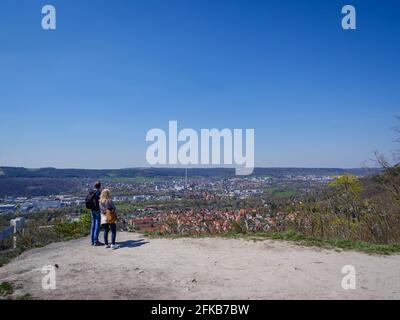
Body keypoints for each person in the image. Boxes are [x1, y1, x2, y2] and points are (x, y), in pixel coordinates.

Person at [87, 181, 103, 246]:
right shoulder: (99, 192)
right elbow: (101, 201)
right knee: (97, 226)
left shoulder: (91, 191)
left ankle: (92, 241)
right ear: (99, 186)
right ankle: (96, 241)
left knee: (93, 225)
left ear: (94, 185)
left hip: (92, 209)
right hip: (97, 210)